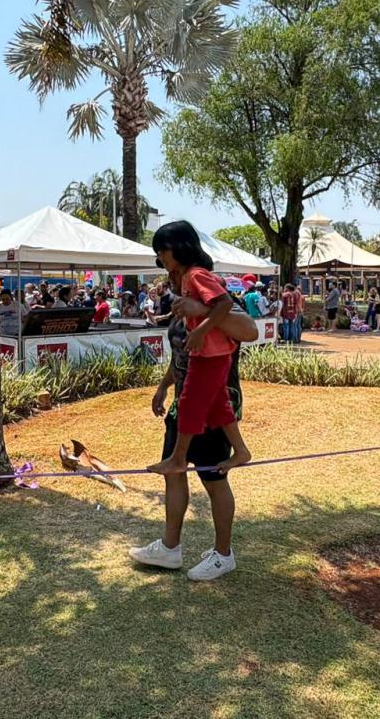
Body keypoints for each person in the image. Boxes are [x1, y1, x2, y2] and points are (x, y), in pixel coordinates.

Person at [130, 284, 259, 581]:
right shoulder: (182, 301)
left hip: (215, 405)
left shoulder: (223, 302)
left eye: (174, 268)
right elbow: (181, 352)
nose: (172, 277)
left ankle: (223, 555)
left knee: (214, 479)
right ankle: (169, 548)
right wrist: (164, 386)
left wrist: (205, 310)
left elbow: (250, 330)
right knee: (173, 471)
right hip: (184, 404)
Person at [147, 220, 252, 476]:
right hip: (209, 355)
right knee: (218, 408)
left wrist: (200, 331)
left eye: (163, 251)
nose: (160, 258)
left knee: (189, 404)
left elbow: (224, 303)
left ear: (180, 248)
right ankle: (241, 450)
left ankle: (178, 458)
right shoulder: (187, 280)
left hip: (210, 355)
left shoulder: (196, 275)